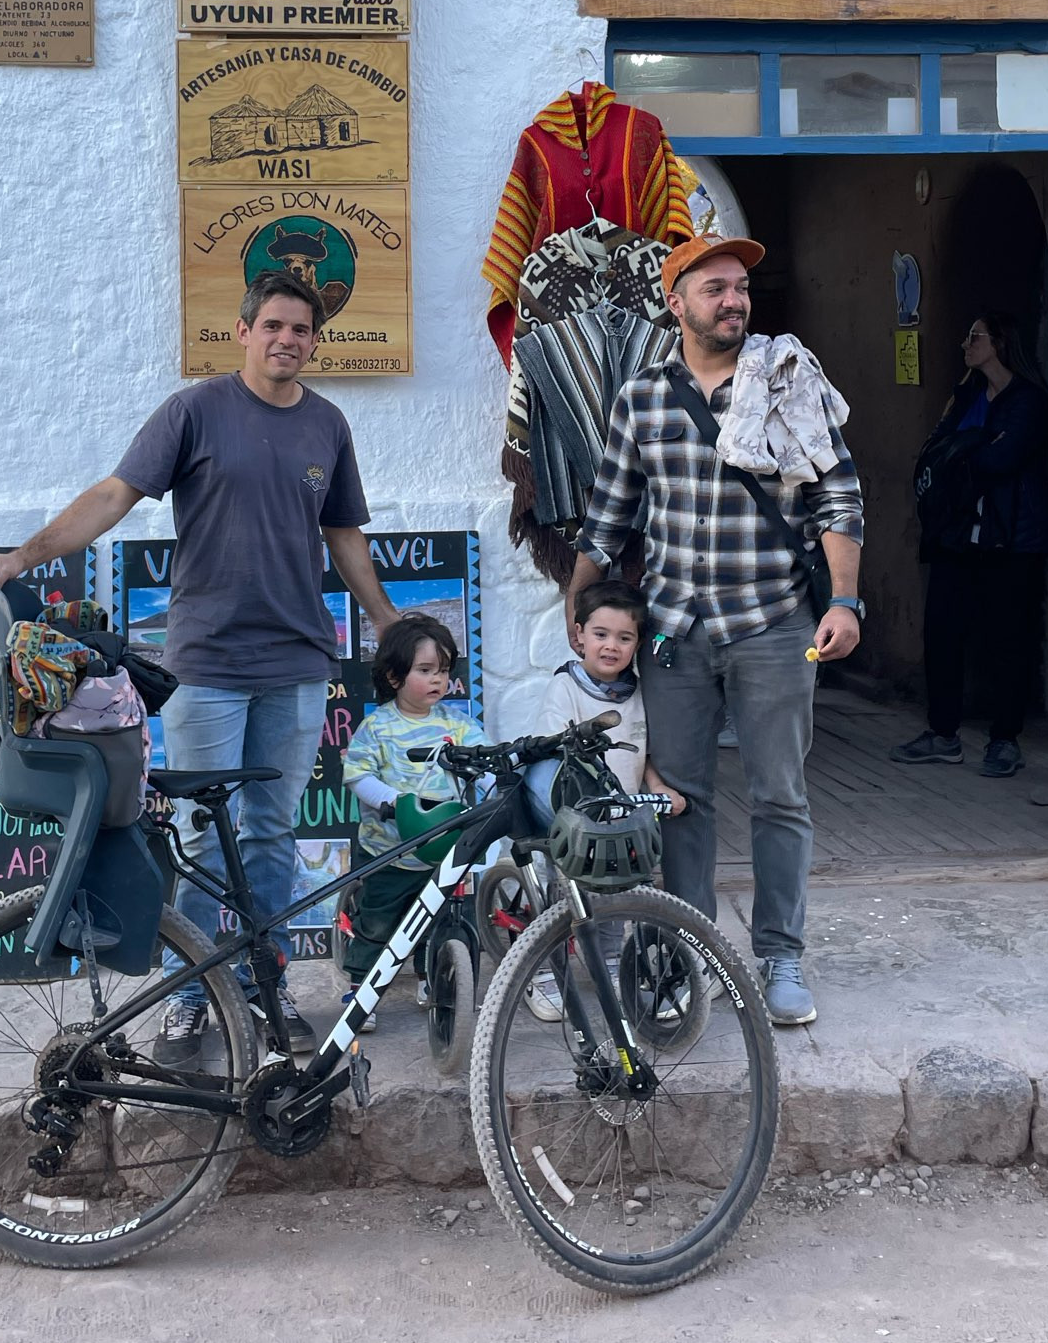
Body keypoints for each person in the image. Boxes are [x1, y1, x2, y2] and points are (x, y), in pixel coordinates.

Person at [0, 270, 398, 1062]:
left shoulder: (328, 426)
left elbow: (343, 535)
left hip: (297, 663)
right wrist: (23, 556)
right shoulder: (194, 412)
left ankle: (264, 987)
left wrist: (386, 620)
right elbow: (114, 495)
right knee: (205, 835)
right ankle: (190, 995)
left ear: (315, 341)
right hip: (207, 663)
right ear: (243, 332)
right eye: (273, 325)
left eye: (301, 330)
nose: (287, 340)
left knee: (271, 834)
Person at [564, 235, 865, 1028]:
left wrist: (844, 602)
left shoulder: (789, 382)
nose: (734, 300)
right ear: (677, 303)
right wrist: (579, 599)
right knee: (679, 801)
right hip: (673, 633)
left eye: (741, 287)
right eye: (715, 288)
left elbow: (838, 497)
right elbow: (609, 515)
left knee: (780, 796)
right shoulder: (643, 398)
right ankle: (685, 954)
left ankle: (780, 956)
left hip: (774, 624)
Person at [896, 310, 1048, 779]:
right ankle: (942, 733)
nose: (966, 344)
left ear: (1000, 343)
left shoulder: (1029, 400)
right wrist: (970, 447)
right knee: (942, 633)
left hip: (1011, 538)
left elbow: (1001, 459)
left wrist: (964, 451)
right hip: (956, 535)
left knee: (1008, 638)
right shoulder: (965, 395)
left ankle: (1005, 740)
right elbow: (935, 450)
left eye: (975, 336)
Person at [520, 577, 685, 1024]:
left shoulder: (640, 692)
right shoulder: (566, 688)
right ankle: (545, 972)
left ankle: (610, 961)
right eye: (600, 634)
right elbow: (556, 751)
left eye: (624, 637)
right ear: (579, 635)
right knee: (561, 895)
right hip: (574, 818)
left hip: (622, 821)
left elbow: (642, 750)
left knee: (616, 893)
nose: (611, 646)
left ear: (638, 644)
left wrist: (657, 788)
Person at [339, 614, 490, 1026]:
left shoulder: (458, 725)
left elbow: (484, 761)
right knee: (378, 922)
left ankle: (432, 978)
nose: (437, 679)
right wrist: (392, 801)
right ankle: (361, 989)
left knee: (441, 921)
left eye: (443, 670)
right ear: (394, 676)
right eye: (425, 670)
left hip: (444, 849)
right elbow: (357, 776)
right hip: (390, 851)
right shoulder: (377, 727)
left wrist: (491, 777)